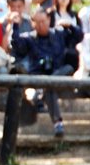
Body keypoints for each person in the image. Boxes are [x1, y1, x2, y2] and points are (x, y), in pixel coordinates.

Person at [11, 8, 76, 137]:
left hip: (58, 75)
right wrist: (15, 26)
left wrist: (71, 26)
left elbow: (78, 37)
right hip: (39, 78)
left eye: (43, 21)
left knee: (68, 68)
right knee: (49, 88)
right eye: (38, 22)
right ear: (33, 23)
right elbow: (17, 45)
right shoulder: (29, 38)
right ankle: (58, 124)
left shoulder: (58, 34)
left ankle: (43, 89)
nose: (41, 24)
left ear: (49, 20)